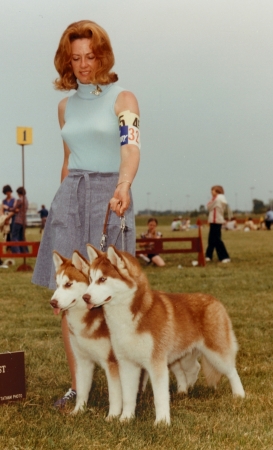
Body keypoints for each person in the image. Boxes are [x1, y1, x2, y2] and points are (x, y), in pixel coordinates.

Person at [32, 20, 140, 408]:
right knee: (69, 294)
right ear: (66, 60)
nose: (83, 65)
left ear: (103, 56)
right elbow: (67, 160)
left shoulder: (123, 99)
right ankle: (78, 386)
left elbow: (130, 149)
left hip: (109, 195)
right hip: (70, 197)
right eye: (75, 58)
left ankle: (127, 380)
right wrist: (59, 205)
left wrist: (124, 185)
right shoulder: (65, 106)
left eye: (90, 56)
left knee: (113, 292)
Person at [205, 185, 230, 263]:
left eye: (213, 190)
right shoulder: (221, 198)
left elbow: (209, 206)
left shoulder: (217, 199)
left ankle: (224, 256)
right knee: (211, 239)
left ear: (217, 191)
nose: (211, 192)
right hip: (216, 220)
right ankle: (208, 255)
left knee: (216, 239)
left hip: (216, 220)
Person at [5, 187, 29, 253]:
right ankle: (24, 251)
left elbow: (14, 209)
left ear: (19, 193)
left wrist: (7, 208)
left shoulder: (20, 200)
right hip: (24, 221)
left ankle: (16, 251)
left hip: (18, 220)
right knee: (22, 237)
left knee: (14, 236)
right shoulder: (26, 200)